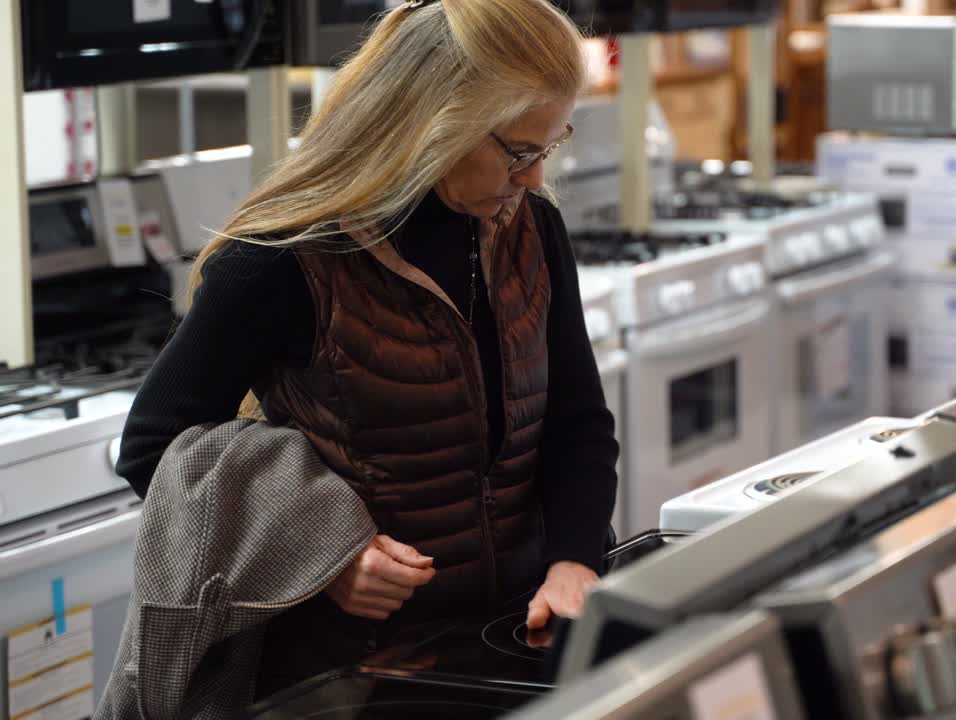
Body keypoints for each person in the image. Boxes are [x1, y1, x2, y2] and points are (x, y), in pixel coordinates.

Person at [114, 0, 618, 698]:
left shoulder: (531, 229)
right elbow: (151, 446)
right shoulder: (284, 257)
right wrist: (326, 557)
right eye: (518, 152)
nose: (533, 178)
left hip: (509, 640)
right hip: (348, 676)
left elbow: (577, 423)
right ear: (437, 121)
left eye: (548, 148)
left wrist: (574, 561)